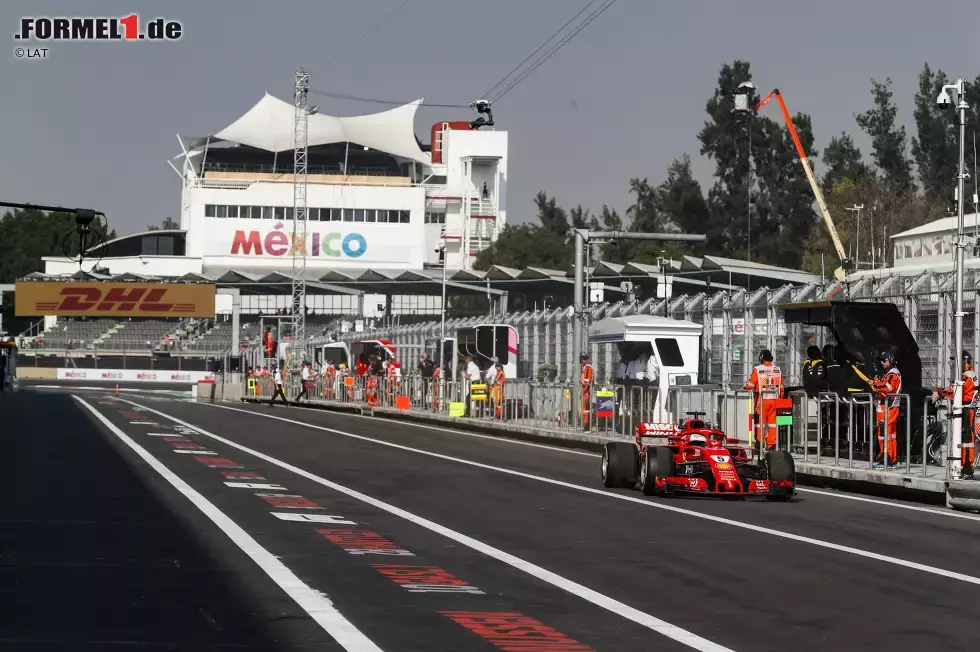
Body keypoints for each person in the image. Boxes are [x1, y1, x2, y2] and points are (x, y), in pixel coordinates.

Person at [937, 351, 977, 477]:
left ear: (964, 361)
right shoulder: (967, 374)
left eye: (957, 361)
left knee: (967, 439)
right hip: (966, 409)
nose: (955, 364)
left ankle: (967, 468)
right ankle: (964, 467)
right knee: (965, 438)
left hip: (967, 409)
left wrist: (941, 393)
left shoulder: (967, 375)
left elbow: (957, 391)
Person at [744, 349, 783, 450]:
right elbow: (781, 387)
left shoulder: (758, 369)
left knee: (760, 423)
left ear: (761, 358)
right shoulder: (777, 369)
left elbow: (750, 385)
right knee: (773, 424)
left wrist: (745, 387)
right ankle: (771, 445)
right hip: (775, 400)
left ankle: (760, 444)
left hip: (762, 400)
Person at [871, 350, 901, 468]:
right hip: (886, 407)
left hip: (889, 407)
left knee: (886, 434)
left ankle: (887, 459)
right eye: (881, 360)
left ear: (891, 360)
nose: (882, 363)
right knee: (887, 435)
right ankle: (888, 459)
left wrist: (875, 383)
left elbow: (888, 388)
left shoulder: (893, 374)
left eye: (884, 360)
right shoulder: (888, 374)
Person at [579, 352, 594, 431]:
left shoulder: (588, 367)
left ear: (582, 359)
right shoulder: (585, 367)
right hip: (585, 391)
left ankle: (587, 426)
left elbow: (587, 381)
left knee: (586, 409)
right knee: (585, 409)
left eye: (581, 358)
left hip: (586, 392)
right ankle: (586, 425)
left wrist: (583, 391)